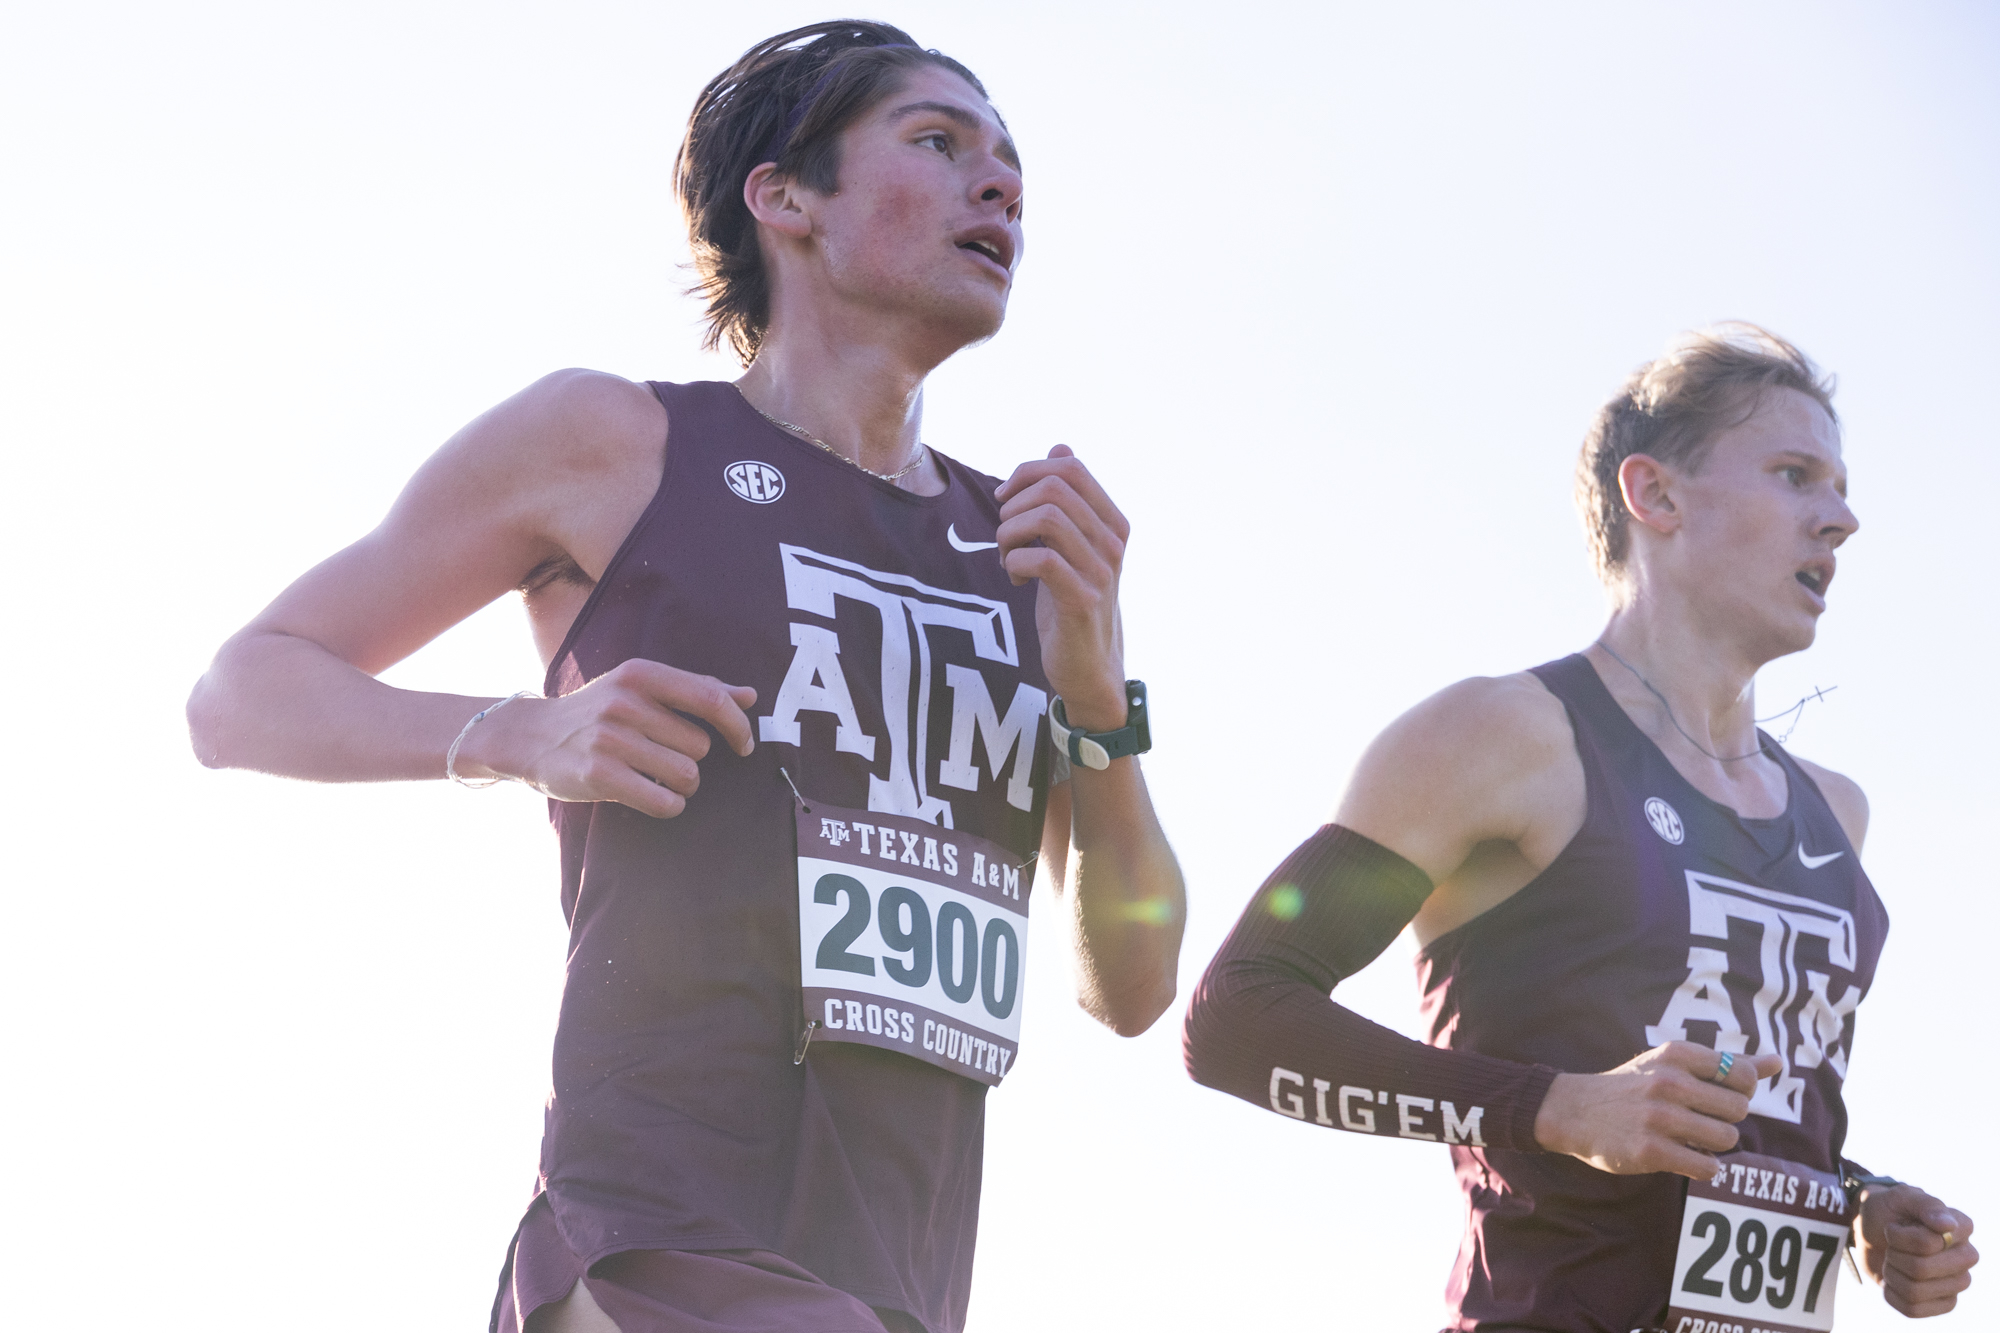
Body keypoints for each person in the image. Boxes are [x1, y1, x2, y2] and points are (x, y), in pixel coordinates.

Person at [187, 22, 1184, 1333]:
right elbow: (242, 691)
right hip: (646, 1236)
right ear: (785, 199)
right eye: (937, 144)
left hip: (896, 1276)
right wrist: (524, 735)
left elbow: (1132, 987)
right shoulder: (614, 442)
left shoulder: (1031, 551)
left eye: (1008, 162)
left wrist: (1099, 707)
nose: (997, 184)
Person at [1183, 325, 1977, 1330]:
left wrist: (1854, 1201)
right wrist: (1556, 1106)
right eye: (1792, 475)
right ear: (1653, 496)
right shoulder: (1501, 736)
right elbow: (1234, 1017)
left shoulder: (1834, 812)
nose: (1841, 519)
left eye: (1839, 485)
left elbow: (1739, 1109)